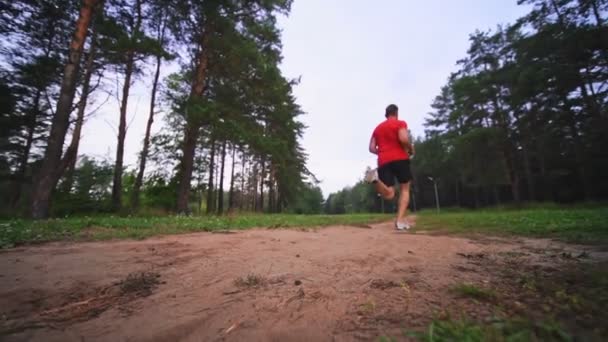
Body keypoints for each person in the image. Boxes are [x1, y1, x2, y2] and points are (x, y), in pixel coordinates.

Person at [365, 104, 414, 230]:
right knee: (405, 189)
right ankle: (400, 221)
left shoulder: (377, 128)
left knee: (389, 194)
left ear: (386, 114)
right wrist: (411, 148)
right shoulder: (400, 123)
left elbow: (371, 148)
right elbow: (403, 138)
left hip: (383, 161)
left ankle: (375, 180)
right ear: (396, 113)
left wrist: (381, 152)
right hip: (400, 158)